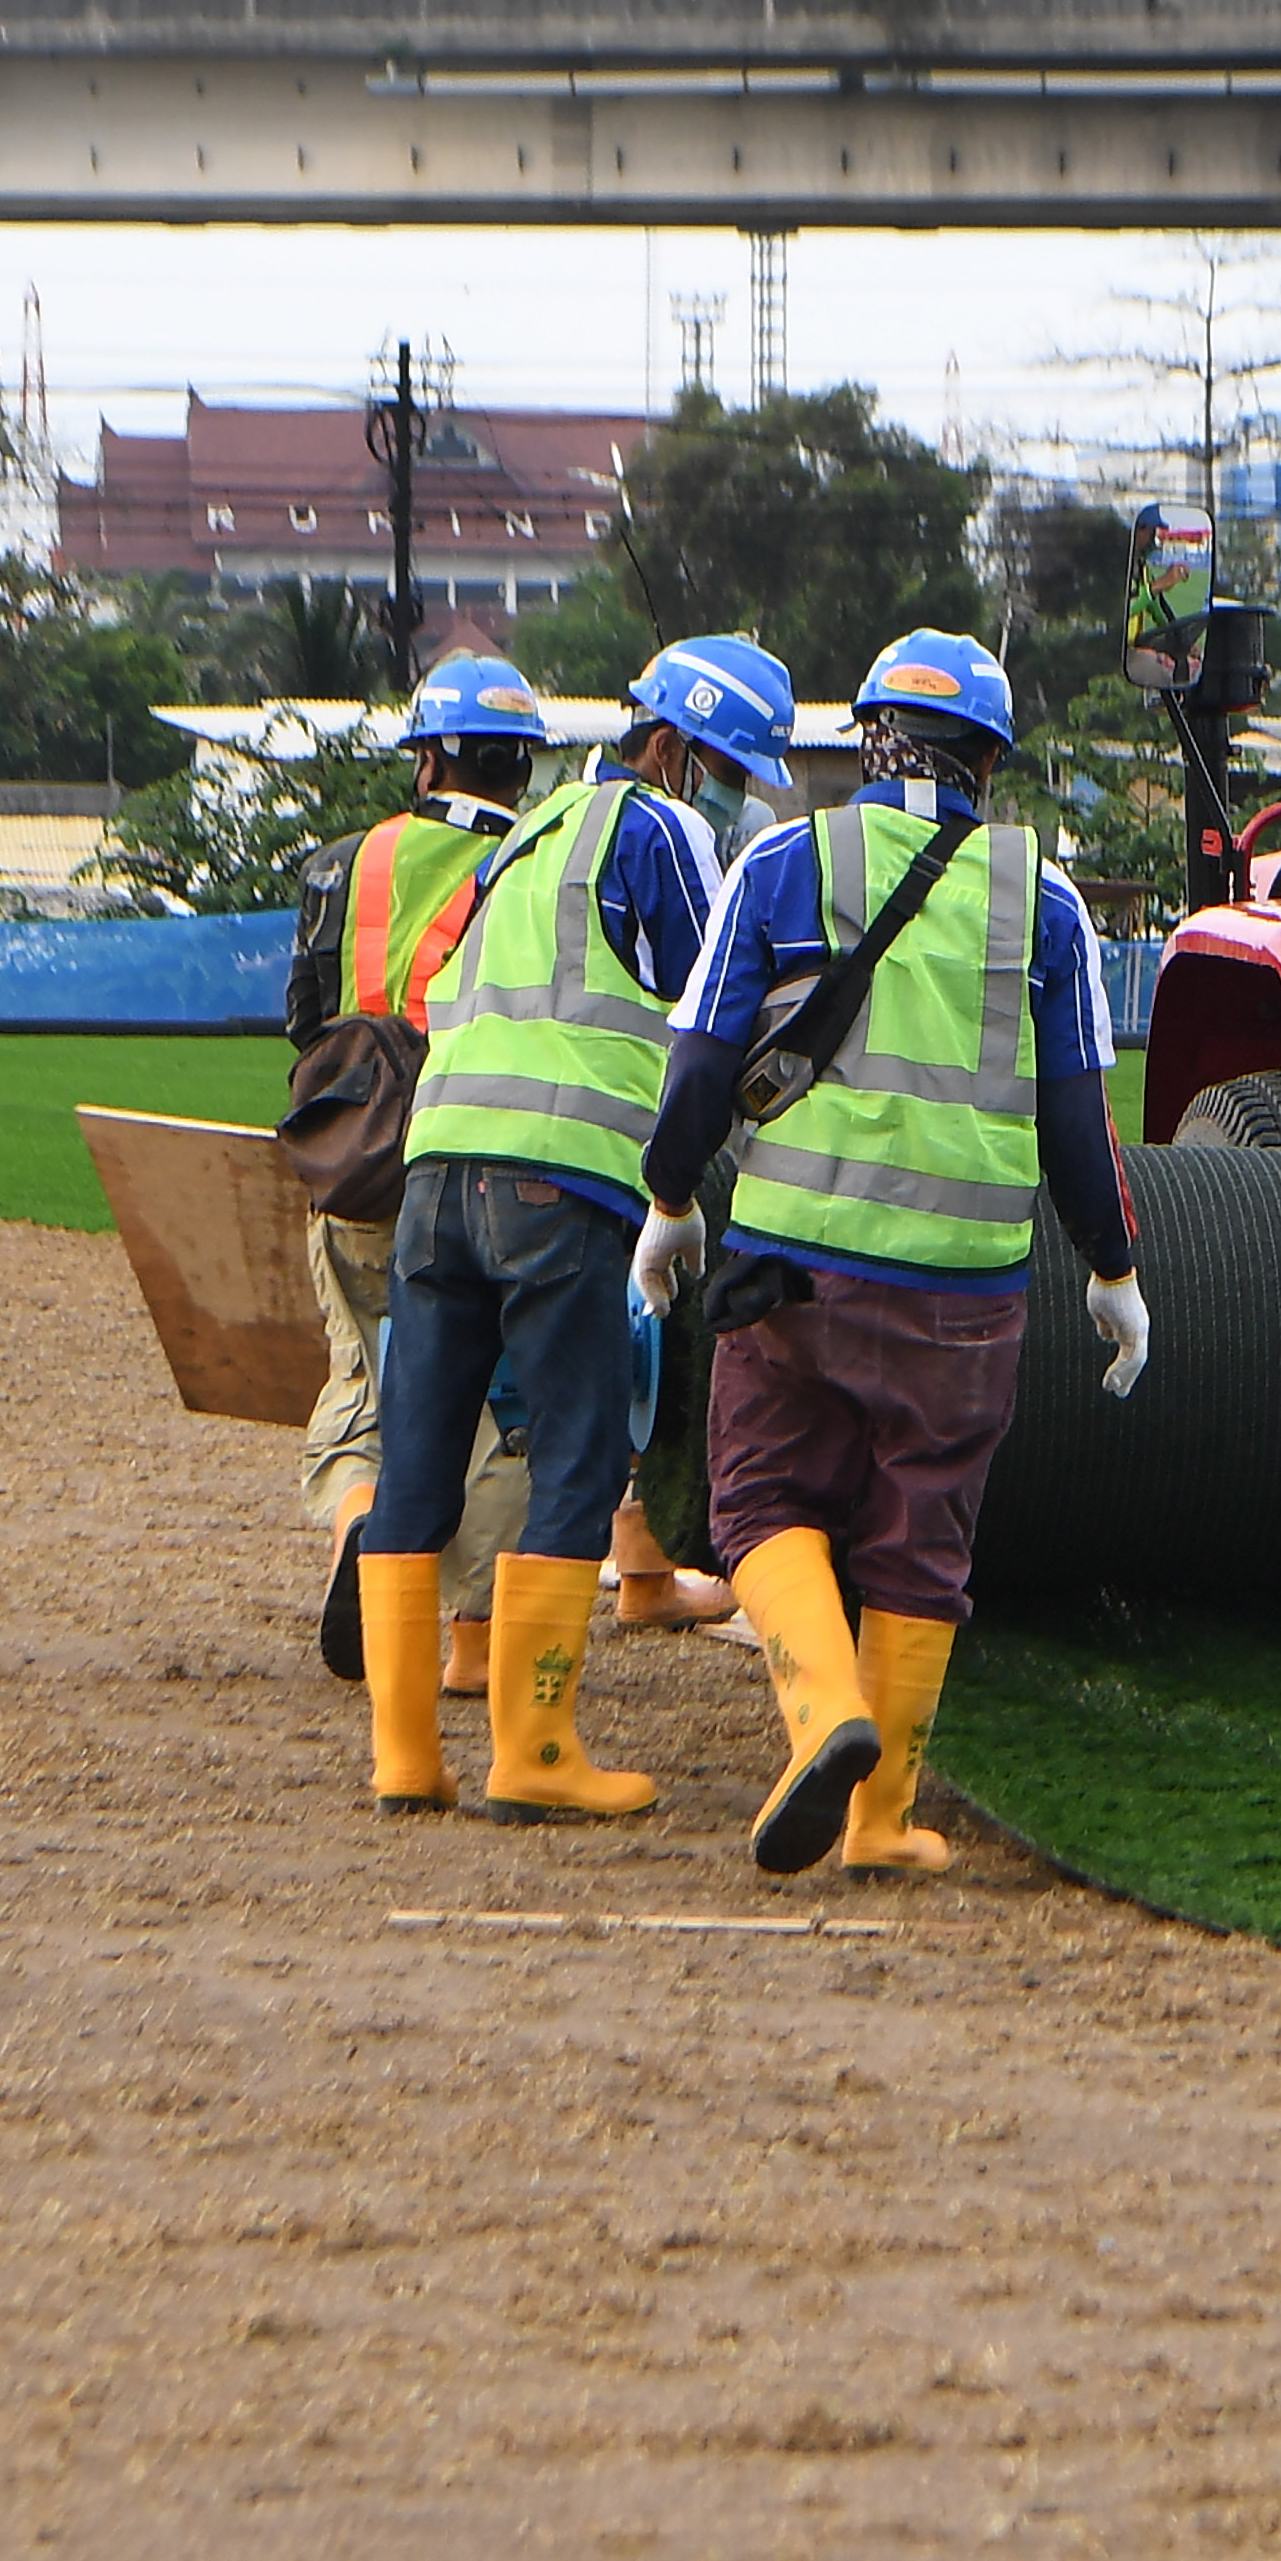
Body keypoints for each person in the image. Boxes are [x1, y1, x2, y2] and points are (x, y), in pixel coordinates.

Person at [633, 630, 1151, 1879]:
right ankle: (881, 1822)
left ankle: (823, 1718)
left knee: (760, 1504)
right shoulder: (1048, 895)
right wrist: (1113, 1271)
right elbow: (1080, 1119)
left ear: (868, 736)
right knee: (922, 1539)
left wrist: (669, 1204)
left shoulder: (779, 862)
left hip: (795, 1260)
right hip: (966, 1287)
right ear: (992, 759)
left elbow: (701, 1062)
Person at [344, 640, 764, 1820]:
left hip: (436, 1174)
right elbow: (709, 1005)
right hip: (561, 1184)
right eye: (729, 766)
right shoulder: (663, 831)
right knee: (580, 1456)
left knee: (417, 1459)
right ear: (673, 747)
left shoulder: (530, 829)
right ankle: (533, 1755)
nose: (733, 793)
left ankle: (405, 1757)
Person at [288, 656, 545, 1686]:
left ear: (426, 757)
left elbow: (304, 1018)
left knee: (358, 1366)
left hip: (357, 1158)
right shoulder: (541, 861)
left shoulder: (340, 862)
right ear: (521, 767)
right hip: (483, 1160)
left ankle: (361, 1517)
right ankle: (472, 1646)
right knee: (495, 1397)